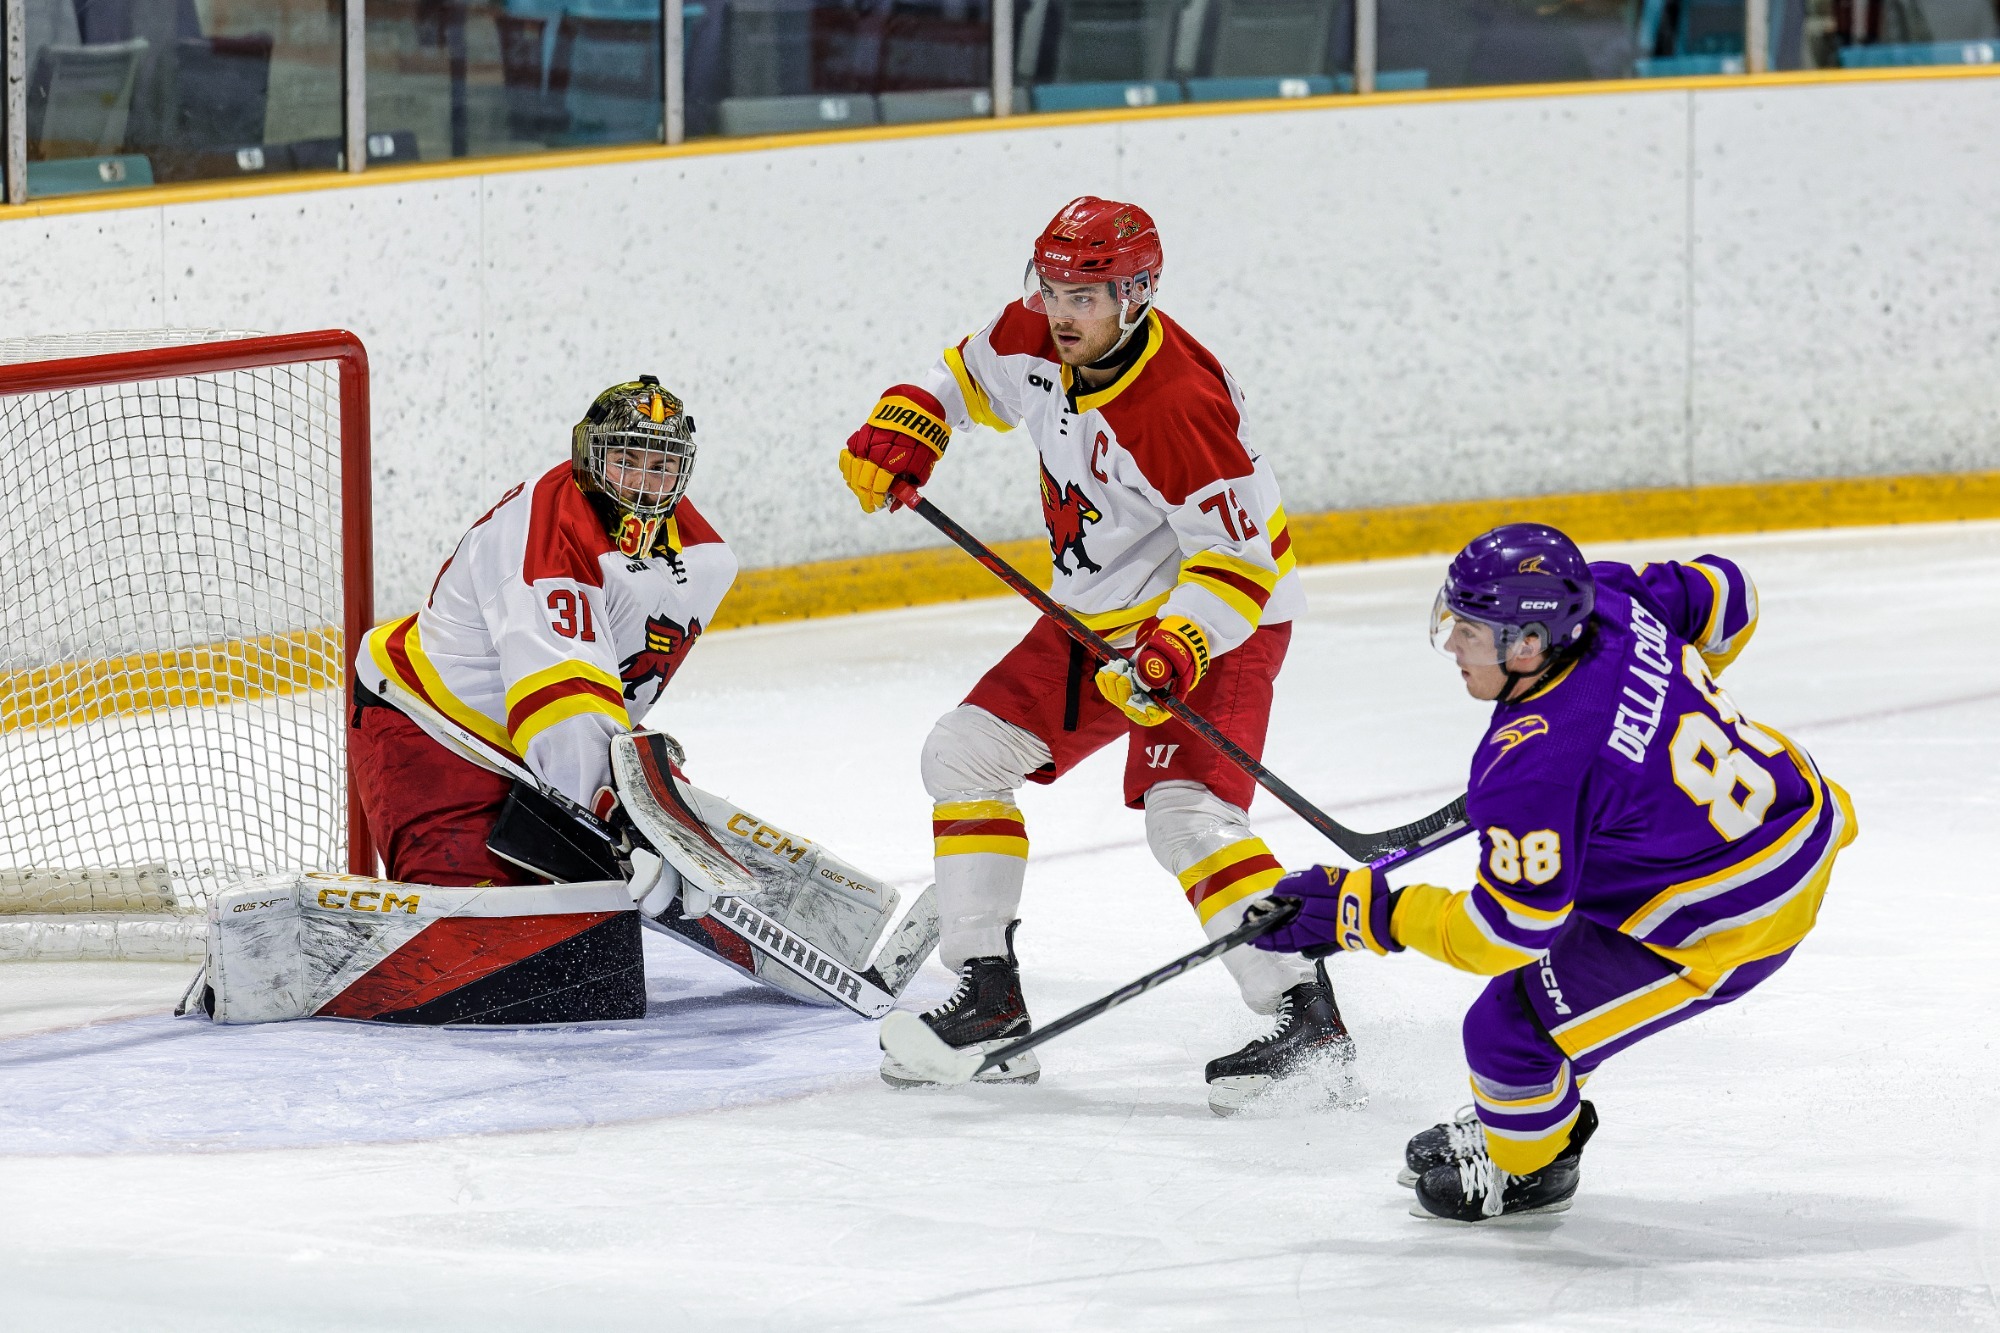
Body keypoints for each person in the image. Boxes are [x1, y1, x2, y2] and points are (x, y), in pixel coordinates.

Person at [839, 195, 1346, 1112]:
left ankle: (1306, 1018)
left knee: (1185, 818)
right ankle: (990, 1004)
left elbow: (1241, 562)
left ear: (1140, 293)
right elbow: (964, 377)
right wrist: (916, 416)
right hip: (1095, 617)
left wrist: (1176, 646)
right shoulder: (1034, 330)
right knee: (963, 754)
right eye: (1055, 285)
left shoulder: (1179, 402)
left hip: (1218, 617)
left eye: (1090, 293)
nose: (1064, 310)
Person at [1255, 522, 1858, 1221]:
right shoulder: (1606, 600)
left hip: (1730, 912)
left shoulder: (1535, 764)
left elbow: (1505, 935)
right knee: (1559, 983)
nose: (1452, 644)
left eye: (1472, 632)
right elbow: (1730, 594)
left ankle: (1533, 1166)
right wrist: (1663, 713)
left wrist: (1365, 910)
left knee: (1510, 1032)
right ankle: (1532, 1119)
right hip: (1786, 808)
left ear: (1531, 642)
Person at [352, 375, 734, 886]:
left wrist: (628, 799)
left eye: (663, 465)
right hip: (434, 728)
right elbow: (562, 698)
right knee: (494, 941)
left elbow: (605, 683)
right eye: (627, 461)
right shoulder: (548, 528)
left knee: (598, 933)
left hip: (535, 732)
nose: (645, 483)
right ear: (589, 456)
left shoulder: (703, 557)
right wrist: (619, 814)